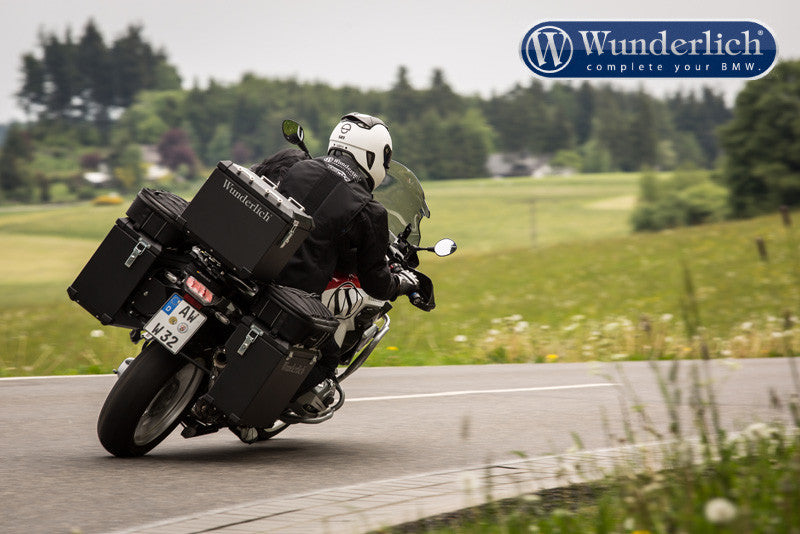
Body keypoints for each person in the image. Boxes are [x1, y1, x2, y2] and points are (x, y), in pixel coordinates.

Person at [273, 112, 420, 405]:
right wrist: (403, 283)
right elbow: (376, 282)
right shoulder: (369, 210)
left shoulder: (297, 169)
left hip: (254, 269)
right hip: (294, 293)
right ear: (375, 156)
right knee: (327, 363)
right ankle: (260, 415)